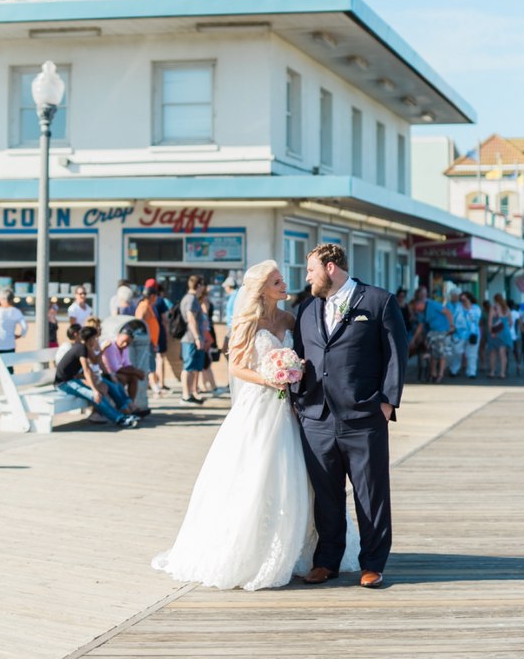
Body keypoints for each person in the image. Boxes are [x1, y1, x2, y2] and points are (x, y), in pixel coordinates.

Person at [152, 259, 360, 590]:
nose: (284, 284)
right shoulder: (247, 323)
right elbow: (236, 368)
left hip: (292, 410)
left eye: (282, 280)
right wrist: (271, 377)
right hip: (259, 408)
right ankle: (252, 550)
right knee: (258, 472)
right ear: (262, 289)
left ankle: (300, 549)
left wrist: (294, 373)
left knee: (299, 475)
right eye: (277, 281)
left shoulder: (292, 318)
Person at [294, 243, 408, 589]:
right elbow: (300, 357)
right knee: (326, 494)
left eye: (311, 269)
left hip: (364, 415)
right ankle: (327, 561)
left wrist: (387, 402)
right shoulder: (306, 308)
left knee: (370, 493)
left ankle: (372, 563)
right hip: (316, 416)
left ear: (331, 267)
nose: (307, 276)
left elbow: (396, 353)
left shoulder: (378, 301)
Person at [55, 326, 139, 427]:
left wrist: (102, 349)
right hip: (64, 383)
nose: (96, 340)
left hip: (73, 380)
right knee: (94, 395)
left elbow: (95, 361)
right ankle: (119, 419)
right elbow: (86, 370)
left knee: (106, 388)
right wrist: (95, 390)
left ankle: (122, 415)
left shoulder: (84, 347)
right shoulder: (81, 348)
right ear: (90, 339)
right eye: (95, 338)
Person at [411, 295, 455, 383]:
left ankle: (440, 375)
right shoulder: (422, 313)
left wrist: (452, 326)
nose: (416, 310)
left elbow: (447, 311)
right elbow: (420, 326)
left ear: (420, 304)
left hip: (443, 331)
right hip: (433, 332)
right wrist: (413, 339)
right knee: (432, 354)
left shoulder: (433, 305)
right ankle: (433, 375)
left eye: (416, 308)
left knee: (443, 354)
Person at [180, 275, 206, 406]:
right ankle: (185, 396)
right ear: (199, 285)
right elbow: (191, 319)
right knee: (188, 367)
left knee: (194, 367)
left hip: (193, 338)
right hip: (190, 339)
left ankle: (191, 393)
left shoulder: (192, 298)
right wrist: (197, 337)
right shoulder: (191, 299)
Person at [198, 286, 227, 397]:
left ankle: (203, 385)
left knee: (205, 362)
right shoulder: (203, 304)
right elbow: (205, 319)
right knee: (206, 362)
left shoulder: (204, 303)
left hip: (206, 334)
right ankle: (209, 386)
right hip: (206, 335)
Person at [102, 330, 146, 402]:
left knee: (133, 377)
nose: (125, 344)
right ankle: (120, 405)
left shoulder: (124, 347)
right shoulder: (110, 345)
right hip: (105, 373)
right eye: (123, 341)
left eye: (128, 343)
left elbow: (127, 364)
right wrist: (135, 372)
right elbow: (114, 368)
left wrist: (137, 372)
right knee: (122, 378)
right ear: (119, 335)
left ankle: (131, 404)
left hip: (113, 373)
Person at [135, 287, 163, 395]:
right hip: (147, 342)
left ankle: (154, 386)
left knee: (152, 364)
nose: (157, 299)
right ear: (152, 296)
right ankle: (155, 387)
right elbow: (139, 323)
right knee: (151, 365)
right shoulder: (144, 307)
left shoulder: (148, 306)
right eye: (156, 296)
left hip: (151, 342)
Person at [448, 291, 481, 378]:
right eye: (461, 299)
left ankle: (472, 372)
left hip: (473, 334)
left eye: (464, 299)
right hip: (459, 334)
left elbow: (475, 318)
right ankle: (454, 369)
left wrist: (468, 307)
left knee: (472, 354)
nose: (463, 301)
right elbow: (453, 318)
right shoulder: (457, 307)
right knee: (456, 352)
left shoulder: (475, 308)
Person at [487, 293, 513, 379]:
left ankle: (492, 371)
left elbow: (490, 322)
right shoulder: (507, 308)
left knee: (493, 352)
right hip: (505, 332)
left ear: (495, 300)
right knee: (503, 354)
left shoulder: (493, 308)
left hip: (495, 332)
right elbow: (511, 322)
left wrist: (491, 332)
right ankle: (502, 372)